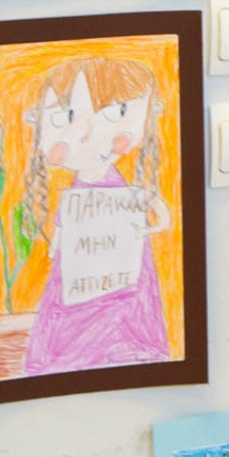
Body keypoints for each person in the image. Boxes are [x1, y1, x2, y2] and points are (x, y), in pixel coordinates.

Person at [19, 56, 173, 377]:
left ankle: (130, 351)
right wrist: (58, 242)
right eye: (65, 117)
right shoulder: (77, 194)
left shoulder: (122, 193)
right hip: (78, 273)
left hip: (124, 273)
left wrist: (159, 217)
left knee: (126, 307)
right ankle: (63, 357)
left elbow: (154, 206)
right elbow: (66, 220)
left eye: (115, 114)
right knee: (69, 305)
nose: (88, 134)